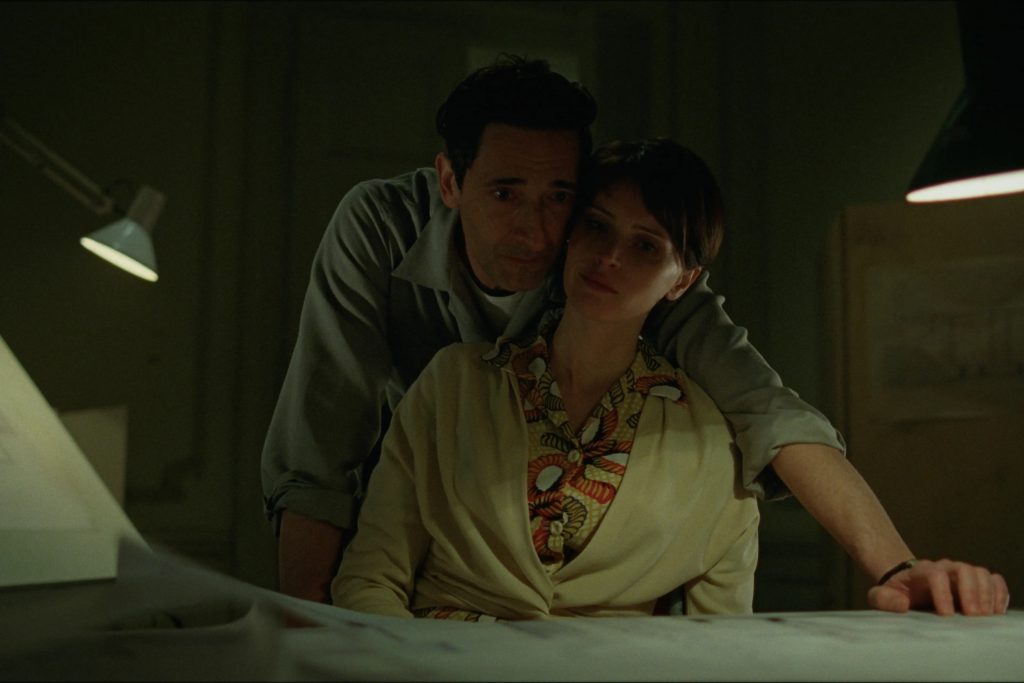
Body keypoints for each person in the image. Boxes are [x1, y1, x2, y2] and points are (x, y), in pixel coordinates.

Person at [262, 55, 1009, 616]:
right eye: (504, 192)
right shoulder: (380, 229)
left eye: (559, 197)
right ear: (451, 182)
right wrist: (310, 625)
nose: (534, 229)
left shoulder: (613, 260)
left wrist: (894, 567)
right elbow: (324, 436)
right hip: (416, 555)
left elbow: (770, 410)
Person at [333, 138, 760, 618]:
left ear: (682, 280)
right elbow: (370, 578)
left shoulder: (709, 443)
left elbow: (721, 639)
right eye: (597, 226)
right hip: (440, 651)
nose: (610, 256)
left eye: (645, 245)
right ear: (571, 233)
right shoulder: (455, 383)